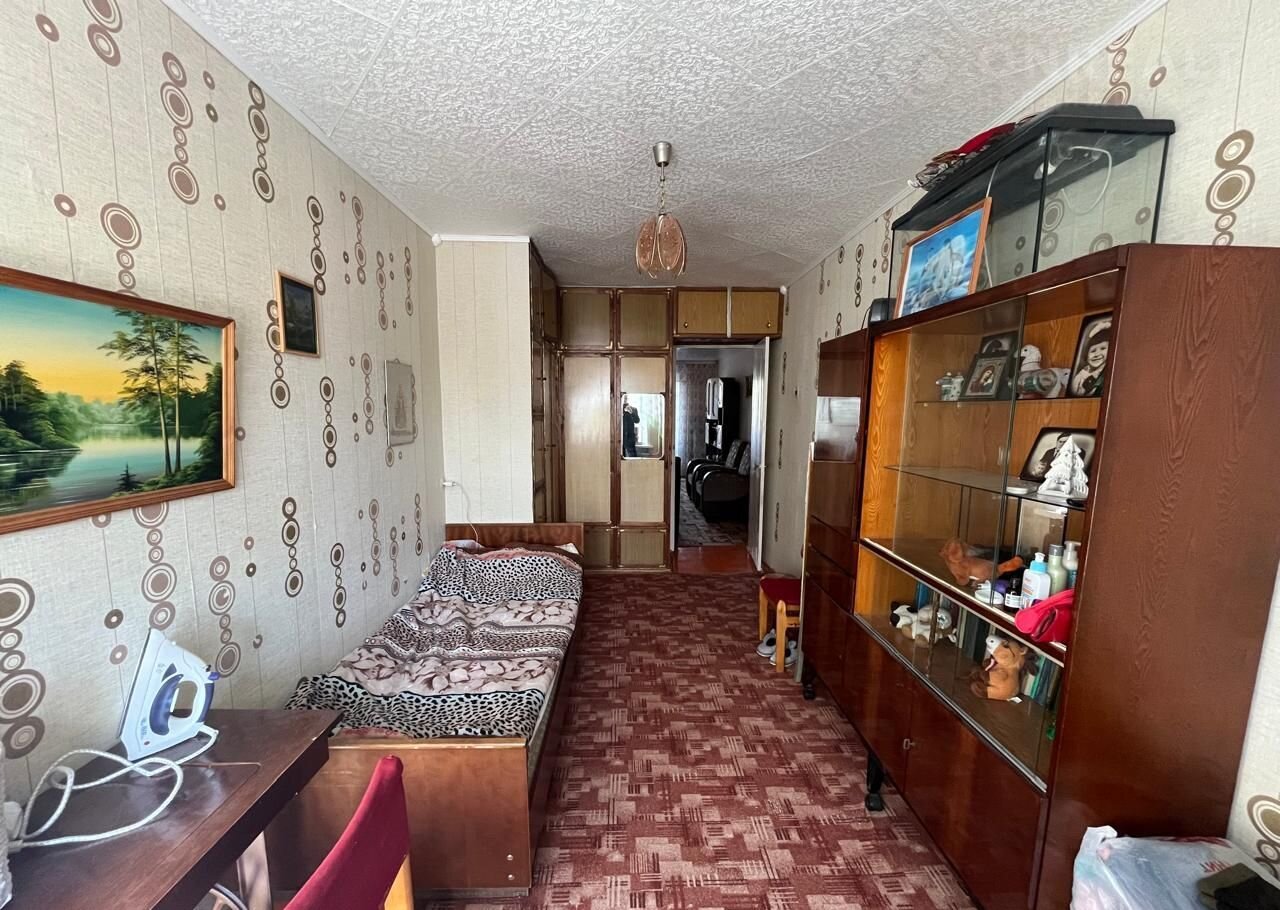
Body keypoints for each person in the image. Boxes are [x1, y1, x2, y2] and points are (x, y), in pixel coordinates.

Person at [1072, 323, 1110, 397]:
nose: (1097, 354)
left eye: (1103, 348)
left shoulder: (1106, 372)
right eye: (1093, 351)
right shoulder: (1080, 376)